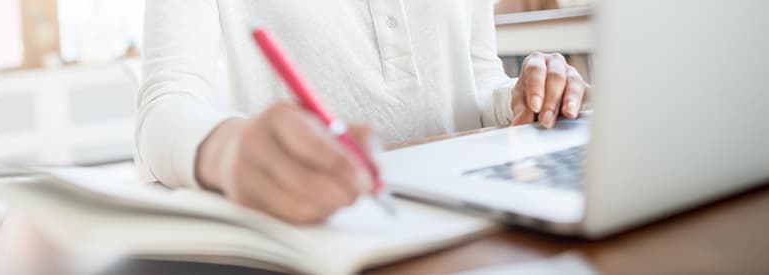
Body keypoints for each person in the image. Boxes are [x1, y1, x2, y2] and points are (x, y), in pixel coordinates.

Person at [135, 1, 590, 223]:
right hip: (326, 229)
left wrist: (519, 96)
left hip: (477, 219)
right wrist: (231, 152)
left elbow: (476, 73)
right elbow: (164, 106)